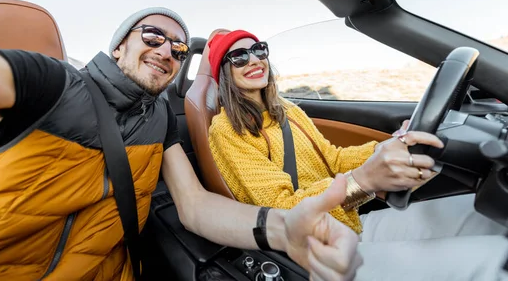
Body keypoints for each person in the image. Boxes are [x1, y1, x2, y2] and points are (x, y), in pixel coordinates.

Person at [0, 8, 361, 281]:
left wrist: (282, 229)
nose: (167, 51)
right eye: (152, 36)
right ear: (119, 46)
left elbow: (195, 207)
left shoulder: (160, 118)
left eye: (180, 49)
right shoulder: (51, 85)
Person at [207, 29, 508, 281]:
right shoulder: (228, 130)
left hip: (350, 222)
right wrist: (360, 182)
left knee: (476, 211)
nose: (254, 60)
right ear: (224, 72)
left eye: (259, 50)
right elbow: (279, 210)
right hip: (314, 246)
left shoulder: (287, 110)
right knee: (494, 260)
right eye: (238, 56)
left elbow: (332, 159)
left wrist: (385, 148)